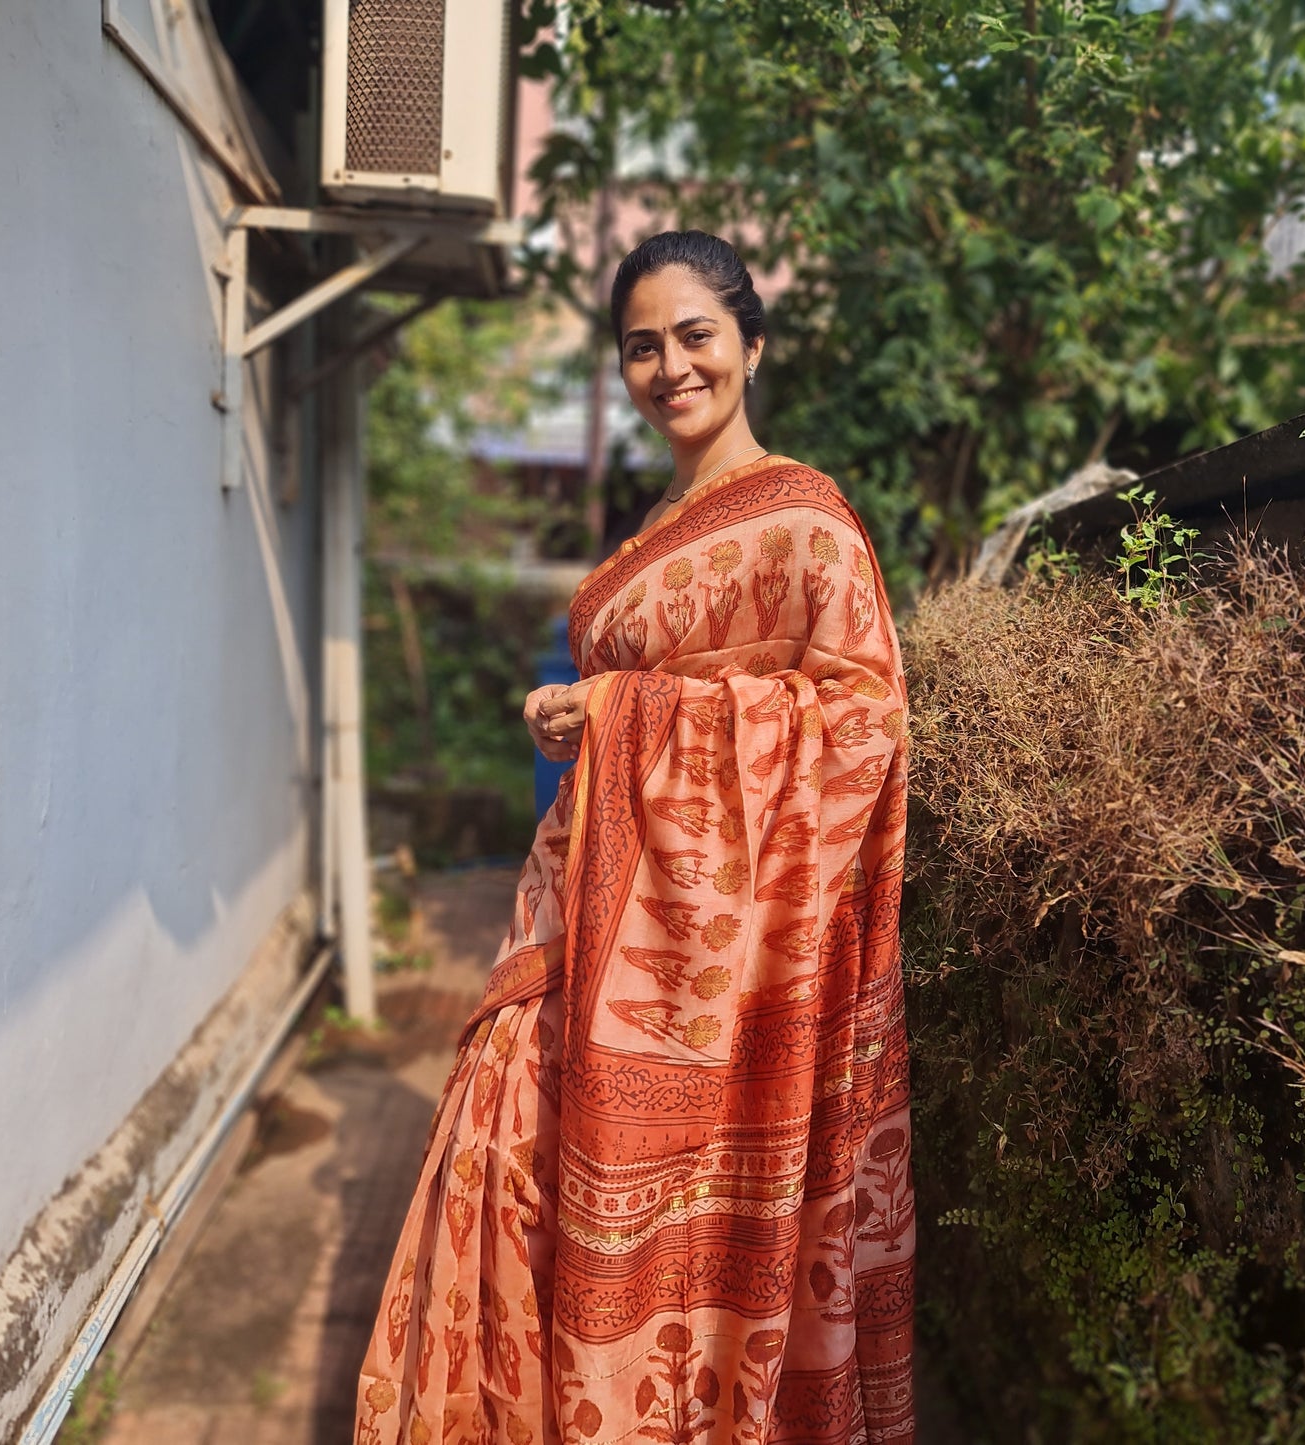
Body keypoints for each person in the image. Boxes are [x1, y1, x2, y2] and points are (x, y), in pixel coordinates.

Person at [356, 231, 915, 1445]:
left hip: (731, 970)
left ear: (751, 346)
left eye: (695, 335)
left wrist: (621, 709)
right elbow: (628, 704)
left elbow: (860, 724)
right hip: (580, 917)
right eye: (641, 346)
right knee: (500, 1158)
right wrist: (580, 716)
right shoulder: (643, 536)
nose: (670, 367)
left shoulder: (804, 523)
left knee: (699, 1220)